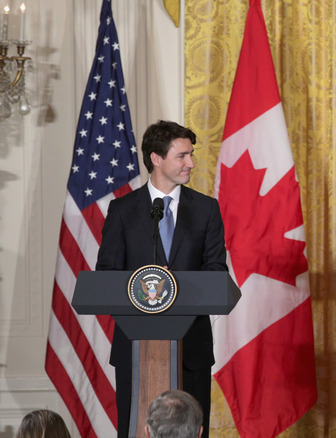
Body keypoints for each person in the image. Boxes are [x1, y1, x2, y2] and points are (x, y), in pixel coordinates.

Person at [96, 120, 227, 437]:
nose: (190, 163)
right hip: (136, 349)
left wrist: (176, 288)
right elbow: (106, 278)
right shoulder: (123, 210)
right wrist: (145, 294)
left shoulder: (206, 209)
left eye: (190, 155)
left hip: (191, 349)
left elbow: (216, 272)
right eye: (182, 156)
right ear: (156, 158)